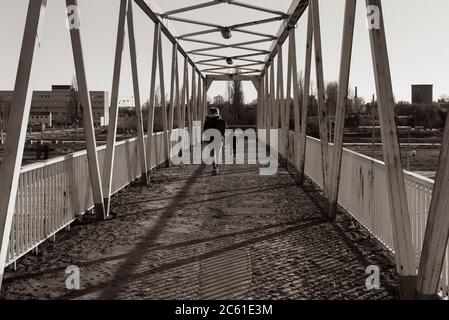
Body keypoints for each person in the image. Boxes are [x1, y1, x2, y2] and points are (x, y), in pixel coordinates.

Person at [203, 107, 226, 175]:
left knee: (212, 154)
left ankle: (214, 167)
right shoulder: (221, 121)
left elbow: (205, 131)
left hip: (210, 140)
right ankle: (216, 167)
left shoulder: (207, 121)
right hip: (218, 139)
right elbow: (223, 131)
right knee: (217, 153)